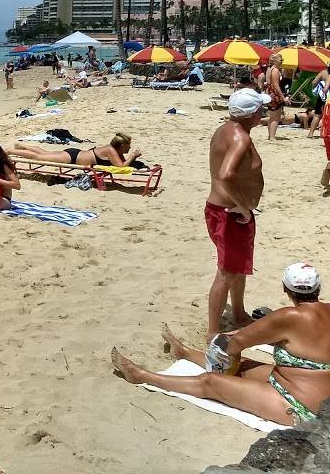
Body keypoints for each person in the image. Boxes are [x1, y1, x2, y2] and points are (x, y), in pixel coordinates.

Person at [112, 263, 330, 425]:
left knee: (211, 381)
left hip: (299, 406)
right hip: (313, 395)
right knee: (243, 366)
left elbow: (237, 343)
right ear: (318, 288)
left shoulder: (288, 316)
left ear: (285, 288)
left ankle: (141, 376)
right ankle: (185, 352)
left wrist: (224, 344)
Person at [205, 87, 267, 343]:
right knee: (227, 272)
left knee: (237, 267)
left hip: (219, 210)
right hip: (230, 215)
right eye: (260, 109)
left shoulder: (224, 130)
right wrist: (243, 206)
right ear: (252, 113)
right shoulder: (241, 138)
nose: (263, 111)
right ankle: (212, 332)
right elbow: (226, 175)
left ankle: (239, 313)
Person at [9, 133, 141, 167]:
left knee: (44, 152)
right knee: (39, 157)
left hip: (75, 153)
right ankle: (11, 152)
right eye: (128, 145)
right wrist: (133, 156)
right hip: (72, 158)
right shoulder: (111, 151)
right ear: (122, 146)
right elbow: (120, 166)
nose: (129, 147)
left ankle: (23, 147)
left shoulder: (112, 150)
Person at [264, 55, 285, 141]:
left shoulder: (269, 69)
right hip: (274, 93)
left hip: (270, 93)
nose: (281, 62)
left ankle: (270, 135)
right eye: (280, 60)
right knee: (276, 116)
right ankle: (272, 136)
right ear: (275, 61)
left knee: (272, 116)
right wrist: (282, 96)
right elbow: (275, 84)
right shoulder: (275, 70)